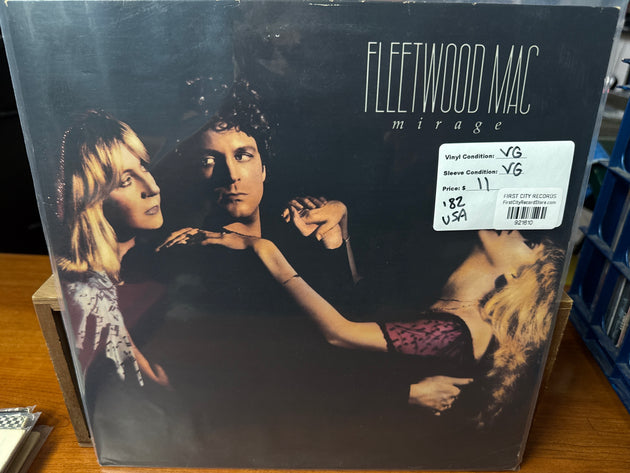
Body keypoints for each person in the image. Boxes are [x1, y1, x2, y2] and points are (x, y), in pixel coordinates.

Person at [161, 228, 564, 428]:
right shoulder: (454, 311)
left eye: (529, 240)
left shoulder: (457, 331)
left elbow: (338, 332)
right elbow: (359, 311)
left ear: (519, 275)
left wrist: (263, 248)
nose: (515, 227)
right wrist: (341, 232)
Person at [55, 110, 194, 465]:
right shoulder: (86, 296)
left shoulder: (154, 270)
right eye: (125, 180)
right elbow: (160, 396)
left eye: (144, 167)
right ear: (91, 198)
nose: (152, 187)